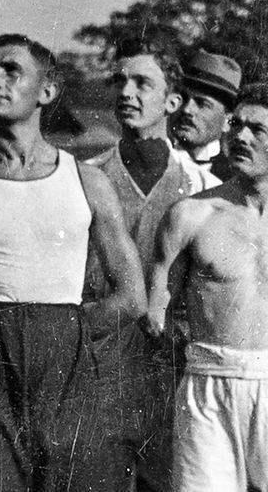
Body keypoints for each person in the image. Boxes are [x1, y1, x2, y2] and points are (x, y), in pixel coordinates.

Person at [0, 34, 145, 492]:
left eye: (11, 70)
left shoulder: (88, 182)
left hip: (68, 366)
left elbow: (131, 297)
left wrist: (59, 331)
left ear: (47, 91)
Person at [145, 83, 268, 492]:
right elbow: (156, 309)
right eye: (236, 124)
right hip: (207, 385)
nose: (240, 136)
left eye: (257, 130)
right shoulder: (190, 216)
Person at [82, 48, 195, 492]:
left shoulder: (200, 187)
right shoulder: (87, 177)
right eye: (121, 82)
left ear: (171, 102)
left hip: (175, 364)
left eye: (142, 83)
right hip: (102, 361)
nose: (126, 92)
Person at [169, 50, 241, 192]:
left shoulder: (234, 179)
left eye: (202, 104)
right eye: (183, 98)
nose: (187, 110)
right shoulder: (148, 154)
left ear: (228, 121)